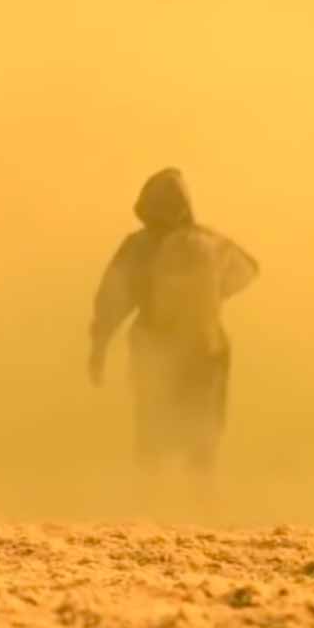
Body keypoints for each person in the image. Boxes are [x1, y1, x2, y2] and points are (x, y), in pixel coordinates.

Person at [87, 167, 260, 506]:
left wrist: (98, 348)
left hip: (156, 345)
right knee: (204, 429)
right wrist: (214, 295)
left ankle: (150, 504)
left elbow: (111, 299)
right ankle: (202, 505)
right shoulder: (213, 242)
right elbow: (248, 270)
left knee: (152, 425)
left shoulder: (140, 246)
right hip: (209, 348)